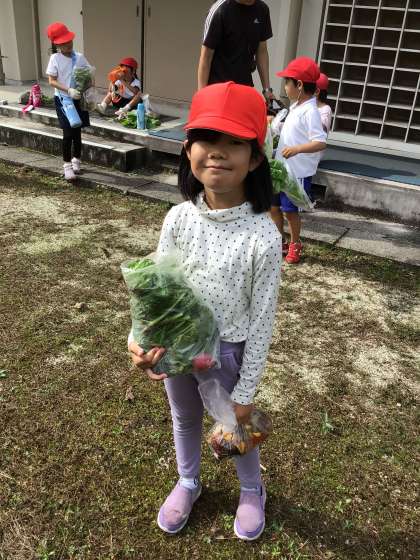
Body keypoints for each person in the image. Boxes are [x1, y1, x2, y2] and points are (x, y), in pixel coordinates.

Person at [128, 82, 282, 541]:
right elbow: (156, 289)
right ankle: (188, 481)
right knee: (185, 418)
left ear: (255, 158)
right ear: (187, 149)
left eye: (234, 142)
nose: (217, 152)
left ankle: (251, 489)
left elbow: (262, 320)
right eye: (206, 139)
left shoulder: (263, 235)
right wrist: (138, 340)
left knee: (236, 425)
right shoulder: (179, 218)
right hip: (176, 348)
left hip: (228, 353)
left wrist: (247, 388)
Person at [270, 57, 327, 264]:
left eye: (287, 82)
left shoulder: (311, 111)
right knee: (273, 206)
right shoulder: (295, 107)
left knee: (290, 211)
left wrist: (297, 149)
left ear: (299, 85)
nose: (285, 86)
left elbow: (320, 142)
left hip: (297, 172)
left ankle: (295, 243)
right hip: (281, 168)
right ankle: (280, 241)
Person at [198, 0, 274, 103]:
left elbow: (262, 51)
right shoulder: (220, 10)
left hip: (244, 88)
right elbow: (206, 57)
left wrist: (267, 90)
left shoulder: (262, 9)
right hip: (218, 88)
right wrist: (201, 97)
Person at [46, 22, 92, 182]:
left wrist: (85, 86)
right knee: (68, 133)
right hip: (63, 100)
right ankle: (67, 166)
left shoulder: (79, 57)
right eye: (64, 42)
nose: (68, 44)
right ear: (57, 44)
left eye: (69, 41)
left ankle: (76, 160)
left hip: (78, 99)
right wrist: (68, 89)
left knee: (77, 132)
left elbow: (88, 77)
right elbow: (51, 81)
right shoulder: (55, 58)